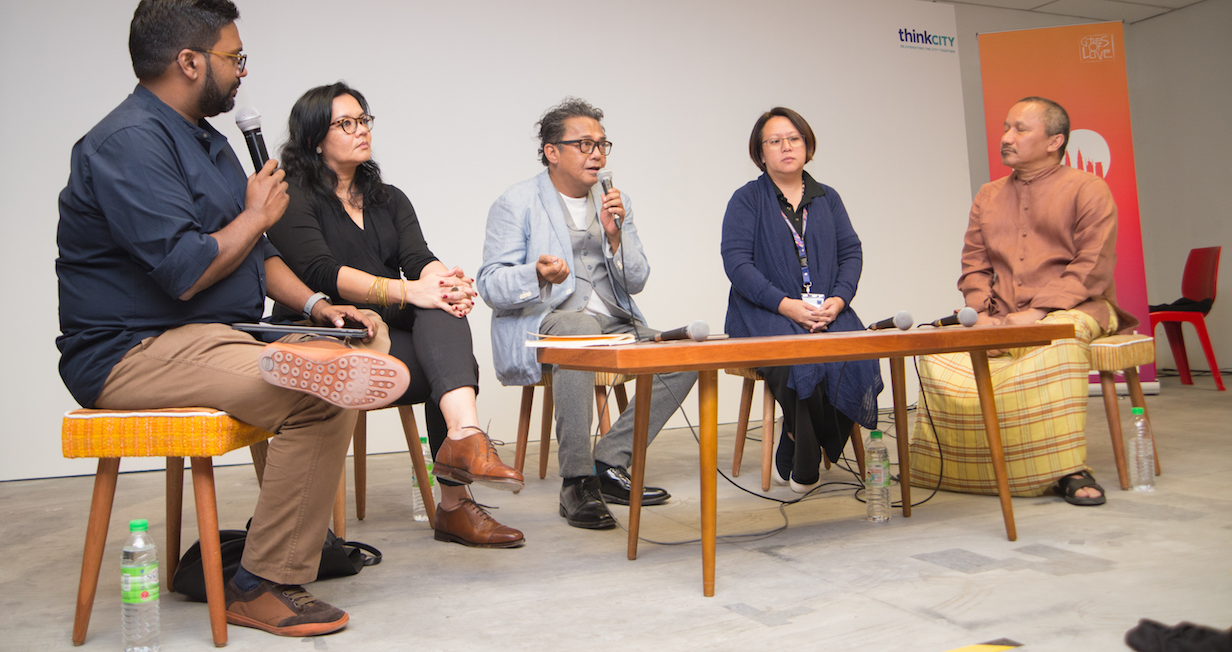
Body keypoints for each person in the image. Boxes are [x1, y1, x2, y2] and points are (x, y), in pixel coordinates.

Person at [56, 0, 407, 638]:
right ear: (191, 62)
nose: (242, 71)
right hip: (130, 353)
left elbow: (256, 252)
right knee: (319, 391)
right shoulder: (127, 144)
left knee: (339, 358)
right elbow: (187, 270)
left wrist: (317, 305)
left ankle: (266, 554)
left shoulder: (209, 142)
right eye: (234, 58)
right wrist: (253, 215)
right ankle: (262, 581)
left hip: (213, 338)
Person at [266, 82, 525, 548]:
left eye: (364, 119)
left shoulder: (389, 198)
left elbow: (418, 255)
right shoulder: (290, 196)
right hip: (327, 330)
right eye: (345, 123)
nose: (361, 130)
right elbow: (321, 271)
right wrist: (415, 290)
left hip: (384, 332)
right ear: (312, 139)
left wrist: (446, 283)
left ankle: (463, 449)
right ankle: (457, 490)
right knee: (448, 358)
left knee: (444, 320)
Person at [477, 98, 696, 529]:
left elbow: (636, 280)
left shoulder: (616, 201)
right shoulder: (517, 202)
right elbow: (489, 285)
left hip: (614, 323)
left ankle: (609, 464)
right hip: (547, 321)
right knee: (579, 328)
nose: (596, 153)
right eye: (583, 143)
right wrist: (536, 274)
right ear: (552, 151)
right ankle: (576, 480)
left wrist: (615, 239)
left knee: (686, 351)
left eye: (602, 144)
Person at [909, 96, 1137, 506]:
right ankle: (959, 468)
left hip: (1076, 309)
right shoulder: (988, 194)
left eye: (1020, 129)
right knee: (937, 352)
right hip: (1001, 314)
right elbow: (974, 264)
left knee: (1056, 343)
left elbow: (1093, 264)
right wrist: (978, 312)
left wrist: (1037, 313)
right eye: (1005, 128)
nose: (1006, 138)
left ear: (1055, 141)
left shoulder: (1088, 188)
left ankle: (1068, 469)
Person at [720, 107, 883, 491]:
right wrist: (787, 305)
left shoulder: (828, 198)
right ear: (761, 154)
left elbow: (851, 254)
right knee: (797, 355)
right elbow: (737, 264)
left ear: (807, 146)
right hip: (761, 310)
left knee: (860, 354)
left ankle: (795, 439)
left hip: (826, 307)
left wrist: (839, 302)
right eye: (774, 141)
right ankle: (805, 457)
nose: (786, 147)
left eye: (793, 138)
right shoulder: (746, 200)